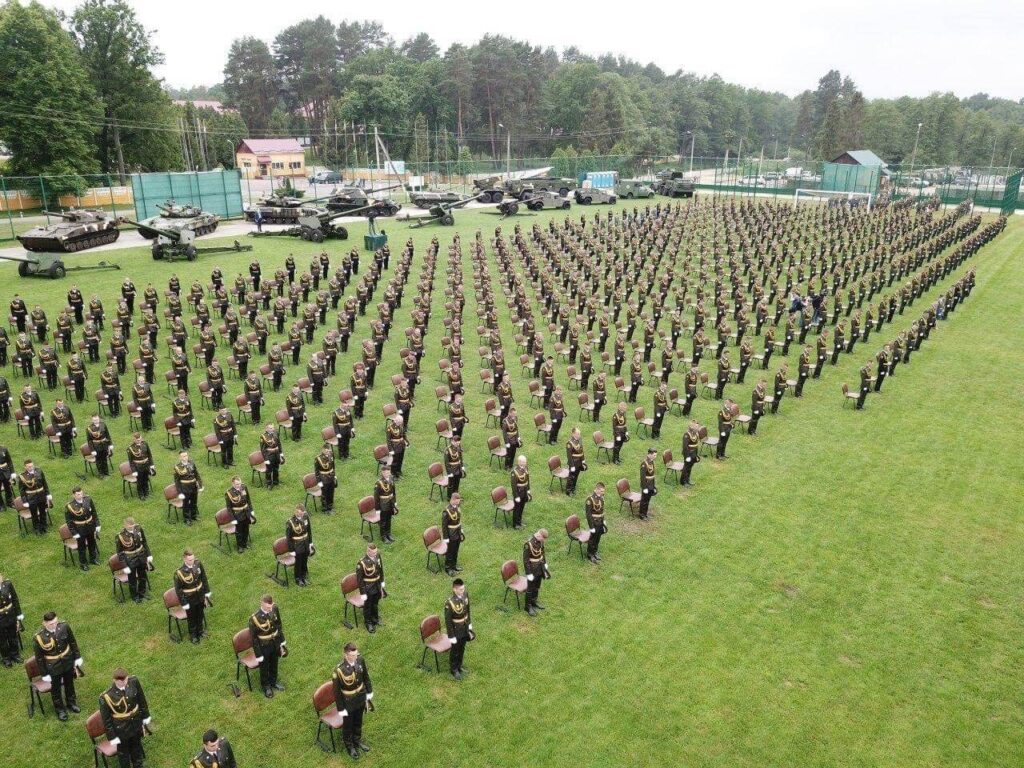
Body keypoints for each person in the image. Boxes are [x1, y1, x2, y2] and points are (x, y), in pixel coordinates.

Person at [33, 611, 83, 720]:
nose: (54, 625)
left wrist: (77, 657)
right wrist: (44, 674)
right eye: (51, 624)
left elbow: (72, 642)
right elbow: (39, 658)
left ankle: (71, 703)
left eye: (55, 622)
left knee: (69, 684)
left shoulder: (64, 627)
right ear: (44, 623)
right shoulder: (39, 638)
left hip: (67, 661)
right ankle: (60, 710)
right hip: (53, 667)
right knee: (55, 690)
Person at [98, 668, 151, 768]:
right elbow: (106, 720)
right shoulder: (106, 696)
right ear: (114, 680)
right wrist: (112, 737)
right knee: (124, 754)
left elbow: (141, 700)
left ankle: (138, 765)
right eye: (120, 681)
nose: (124, 683)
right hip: (121, 730)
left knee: (136, 747)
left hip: (135, 723)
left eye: (125, 680)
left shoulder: (134, 682)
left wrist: (145, 716)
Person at [332, 643, 374, 759]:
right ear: (346, 655)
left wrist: (369, 692)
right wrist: (341, 709)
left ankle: (357, 740)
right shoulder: (339, 670)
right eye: (352, 655)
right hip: (348, 702)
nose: (355, 657)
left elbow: (365, 677)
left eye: (356, 654)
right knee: (348, 725)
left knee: (358, 721)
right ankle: (349, 746)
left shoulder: (360, 660)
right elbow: (337, 692)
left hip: (360, 697)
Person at [248, 595, 286, 698]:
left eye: (271, 606)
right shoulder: (254, 619)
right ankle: (266, 686)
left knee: (274, 662)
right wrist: (258, 654)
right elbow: (254, 639)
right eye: (268, 607)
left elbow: (278, 625)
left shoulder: (274, 608)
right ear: (262, 604)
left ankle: (273, 682)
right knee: (264, 666)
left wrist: (282, 641)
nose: (270, 609)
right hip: (263, 645)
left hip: (275, 642)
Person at [173, 550, 211, 644]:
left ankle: (200, 631)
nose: (192, 561)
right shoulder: (180, 572)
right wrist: (184, 603)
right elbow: (179, 590)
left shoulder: (197, 564)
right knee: (191, 618)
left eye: (193, 559)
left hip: (200, 595)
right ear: (184, 559)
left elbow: (203, 578)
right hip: (190, 598)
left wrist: (207, 592)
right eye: (190, 560)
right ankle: (193, 635)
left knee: (200, 614)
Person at [115, 518, 152, 603]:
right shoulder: (120, 536)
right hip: (130, 560)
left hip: (141, 556)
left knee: (142, 576)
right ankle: (134, 596)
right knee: (132, 580)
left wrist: (149, 554)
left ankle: (142, 593)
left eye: (133, 525)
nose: (132, 528)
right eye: (130, 526)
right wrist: (124, 566)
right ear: (125, 525)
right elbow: (120, 553)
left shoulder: (138, 528)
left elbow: (144, 542)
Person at [444, 579, 474, 680]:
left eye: (463, 588)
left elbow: (467, 610)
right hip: (456, 630)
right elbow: (448, 621)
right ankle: (454, 669)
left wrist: (469, 624)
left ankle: (459, 666)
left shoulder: (465, 594)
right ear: (454, 589)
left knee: (462, 648)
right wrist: (451, 636)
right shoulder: (450, 603)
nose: (463, 590)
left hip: (465, 628)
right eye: (460, 589)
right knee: (455, 650)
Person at [65, 487, 100, 571]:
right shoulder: (70, 506)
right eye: (78, 494)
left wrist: (97, 524)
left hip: (90, 526)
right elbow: (69, 522)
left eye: (81, 493)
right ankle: (83, 563)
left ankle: (93, 559)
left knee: (92, 543)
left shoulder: (88, 499)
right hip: (80, 529)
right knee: (82, 547)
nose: (80, 495)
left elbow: (94, 513)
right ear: (73, 495)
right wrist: (74, 533)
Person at [356, 544, 385, 633]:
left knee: (375, 603)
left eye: (376, 552)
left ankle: (375, 618)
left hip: (377, 585)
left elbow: (380, 569)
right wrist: (363, 593)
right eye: (373, 552)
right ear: (368, 551)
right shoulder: (361, 563)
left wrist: (382, 581)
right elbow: (360, 580)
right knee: (367, 606)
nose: (375, 554)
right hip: (368, 587)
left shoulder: (377, 556)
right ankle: (368, 623)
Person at [18, 459, 51, 534]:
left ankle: (43, 526)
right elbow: (22, 490)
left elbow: (44, 483)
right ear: (25, 467)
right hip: (31, 497)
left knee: (43, 511)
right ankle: (36, 528)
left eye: (32, 466)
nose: (31, 467)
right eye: (29, 466)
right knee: (34, 513)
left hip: (41, 495)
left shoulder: (39, 471)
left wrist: (48, 493)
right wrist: (25, 501)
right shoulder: (22, 476)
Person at [522, 529, 550, 617]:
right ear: (539, 536)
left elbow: (542, 553)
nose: (544, 541)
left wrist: (545, 563)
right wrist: (528, 573)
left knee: (537, 586)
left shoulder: (540, 542)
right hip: (532, 570)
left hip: (539, 568)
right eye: (543, 538)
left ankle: (534, 602)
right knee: (530, 589)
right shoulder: (528, 544)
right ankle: (528, 606)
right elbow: (526, 561)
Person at [225, 477, 254, 552]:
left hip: (246, 512)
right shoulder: (229, 493)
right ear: (233, 484)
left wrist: (251, 510)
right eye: (237, 484)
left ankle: (245, 543)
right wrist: (233, 519)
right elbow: (229, 508)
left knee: (246, 529)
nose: (239, 485)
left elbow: (248, 499)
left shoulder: (244, 487)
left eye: (240, 483)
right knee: (239, 532)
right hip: (237, 515)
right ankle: (240, 546)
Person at [286, 505, 313, 586]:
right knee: (298, 562)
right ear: (296, 512)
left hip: (306, 543)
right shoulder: (290, 522)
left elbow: (309, 530)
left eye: (302, 513)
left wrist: (310, 543)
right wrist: (291, 550)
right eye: (300, 513)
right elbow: (289, 538)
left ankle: (304, 576)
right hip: (297, 545)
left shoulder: (305, 516)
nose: (302, 515)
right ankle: (298, 579)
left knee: (305, 561)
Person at [173, 451, 203, 525]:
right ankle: (187, 519)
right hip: (185, 488)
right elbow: (177, 481)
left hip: (193, 486)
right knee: (186, 504)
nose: (185, 457)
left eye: (186, 455)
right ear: (180, 457)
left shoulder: (191, 463)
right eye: (183, 456)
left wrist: (200, 484)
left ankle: (193, 516)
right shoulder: (177, 467)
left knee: (194, 502)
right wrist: (180, 493)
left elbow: (196, 474)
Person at [0, 573, 23, 667]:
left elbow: (14, 599)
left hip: (10, 615)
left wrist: (18, 614)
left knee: (13, 636)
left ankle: (15, 654)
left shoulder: (8, 584)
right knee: (2, 640)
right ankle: (6, 658)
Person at [441, 493, 464, 576]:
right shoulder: (446, 511)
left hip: (457, 533)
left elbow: (458, 520)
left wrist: (460, 529)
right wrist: (446, 537)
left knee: (455, 551)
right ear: (453, 500)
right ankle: (448, 568)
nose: (459, 502)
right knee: (450, 552)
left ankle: (454, 566)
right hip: (451, 535)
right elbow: (444, 526)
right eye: (458, 501)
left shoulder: (457, 507)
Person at [584, 483, 607, 563]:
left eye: (603, 491)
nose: (603, 492)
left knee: (598, 538)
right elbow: (588, 515)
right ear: (597, 489)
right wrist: (591, 527)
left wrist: (603, 521)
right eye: (601, 491)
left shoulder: (601, 498)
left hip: (600, 522)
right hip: (594, 523)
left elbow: (602, 510)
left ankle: (594, 552)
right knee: (592, 539)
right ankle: (590, 554)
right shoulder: (590, 500)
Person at [374, 468, 397, 543]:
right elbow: (376, 497)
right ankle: (383, 536)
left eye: (388, 472)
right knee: (383, 521)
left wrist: (394, 502)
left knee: (389, 519)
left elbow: (393, 492)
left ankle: (388, 534)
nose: (387, 474)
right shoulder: (378, 483)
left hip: (390, 503)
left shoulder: (391, 479)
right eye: (385, 472)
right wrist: (377, 510)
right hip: (383, 504)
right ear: (382, 473)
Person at [259, 424, 283, 489]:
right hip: (269, 455)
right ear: (266, 429)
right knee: (269, 470)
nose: (272, 429)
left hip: (276, 454)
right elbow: (263, 450)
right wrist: (266, 459)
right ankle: (269, 483)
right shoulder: (263, 437)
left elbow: (279, 443)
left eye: (273, 427)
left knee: (276, 468)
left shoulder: (276, 433)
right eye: (270, 428)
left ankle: (276, 481)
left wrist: (281, 453)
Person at [314, 444, 336, 513]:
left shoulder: (331, 455)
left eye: (328, 451)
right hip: (324, 478)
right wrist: (319, 481)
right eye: (326, 451)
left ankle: (330, 506)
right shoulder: (318, 459)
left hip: (331, 477)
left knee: (331, 492)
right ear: (322, 450)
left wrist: (334, 475)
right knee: (324, 494)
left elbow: (333, 466)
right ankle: (325, 508)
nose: (328, 452)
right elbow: (317, 471)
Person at [565, 427, 586, 496]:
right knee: (571, 477)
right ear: (573, 434)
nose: (579, 435)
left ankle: (573, 488)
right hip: (573, 462)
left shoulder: (579, 440)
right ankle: (568, 491)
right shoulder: (569, 443)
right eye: (577, 433)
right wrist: (572, 466)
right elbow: (569, 456)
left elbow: (581, 450)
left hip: (579, 462)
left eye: (579, 433)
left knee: (576, 476)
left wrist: (583, 460)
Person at [510, 455, 530, 529]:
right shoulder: (514, 472)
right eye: (523, 462)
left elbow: (527, 480)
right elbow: (513, 486)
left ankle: (519, 521)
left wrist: (528, 490)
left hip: (524, 492)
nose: (524, 463)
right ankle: (515, 525)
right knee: (517, 509)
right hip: (518, 493)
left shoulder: (525, 468)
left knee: (522, 508)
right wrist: (516, 496)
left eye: (525, 462)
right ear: (519, 462)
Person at [680, 421, 701, 487]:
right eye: (696, 427)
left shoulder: (696, 434)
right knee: (686, 468)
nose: (698, 428)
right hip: (688, 454)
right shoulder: (687, 434)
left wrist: (696, 455)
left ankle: (687, 480)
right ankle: (683, 481)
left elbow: (696, 446)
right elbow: (685, 447)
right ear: (691, 427)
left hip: (693, 454)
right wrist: (687, 456)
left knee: (690, 467)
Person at [638, 448, 657, 518]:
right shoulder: (644, 464)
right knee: (644, 500)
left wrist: (654, 486)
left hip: (651, 485)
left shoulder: (652, 462)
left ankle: (645, 513)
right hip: (646, 485)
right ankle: (641, 514)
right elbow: (642, 477)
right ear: (650, 454)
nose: (655, 457)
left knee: (648, 500)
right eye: (654, 455)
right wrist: (644, 488)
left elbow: (652, 475)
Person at [501, 406, 520, 471]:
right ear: (509, 413)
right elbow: (504, 433)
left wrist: (518, 437)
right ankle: (507, 466)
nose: (514, 416)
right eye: (513, 414)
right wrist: (506, 443)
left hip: (514, 439)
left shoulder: (515, 418)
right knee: (508, 454)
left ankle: (511, 465)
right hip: (509, 439)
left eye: (515, 414)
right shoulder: (505, 421)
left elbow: (516, 429)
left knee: (513, 453)